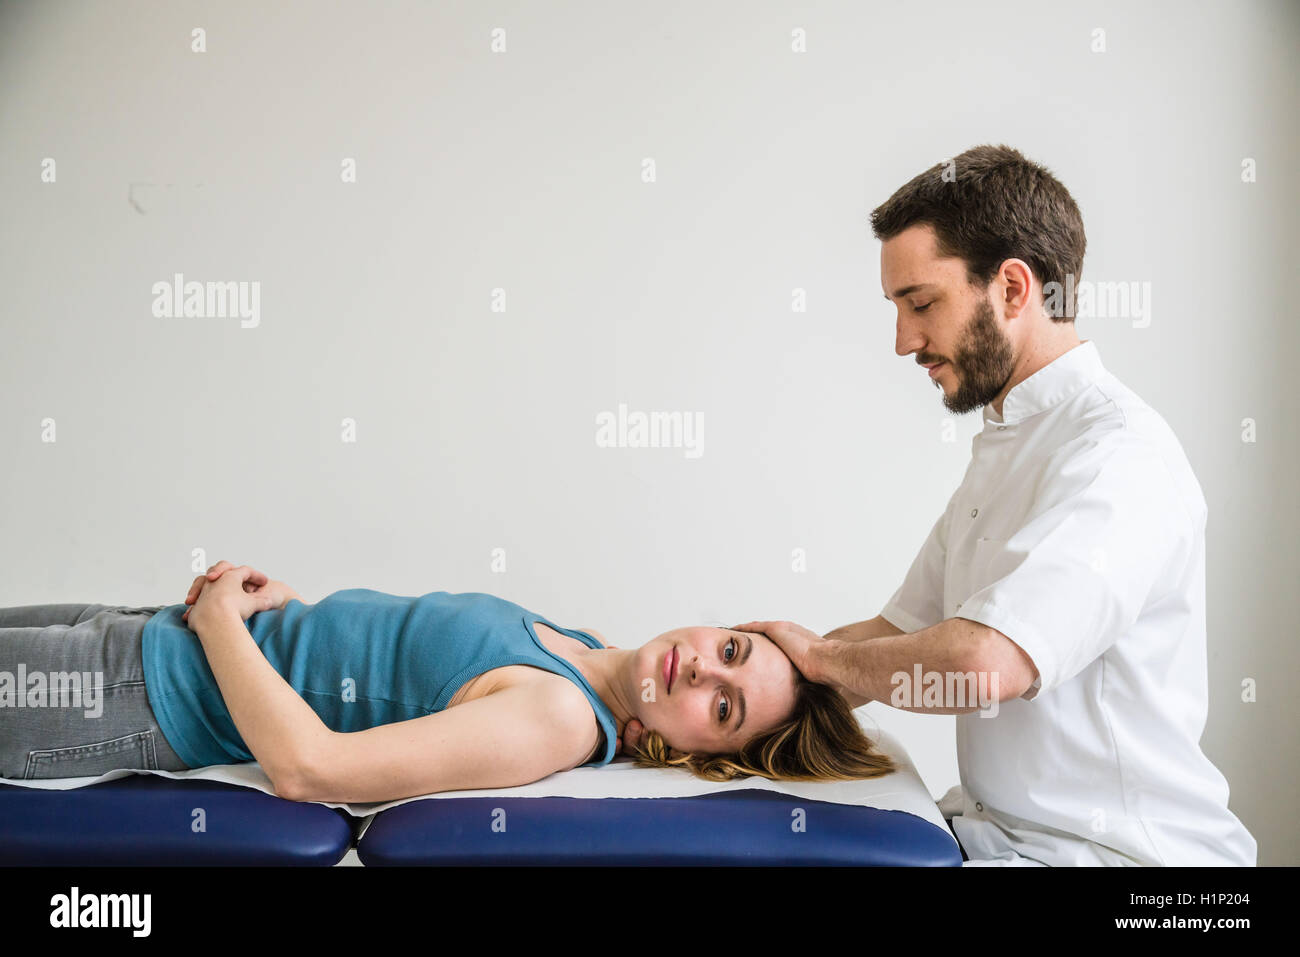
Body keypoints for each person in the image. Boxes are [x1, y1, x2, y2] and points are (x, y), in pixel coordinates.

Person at [625, 144, 1257, 867]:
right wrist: (705, 704)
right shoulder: (1009, 443)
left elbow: (986, 665)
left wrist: (823, 660)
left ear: (1014, 288)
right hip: (1001, 837)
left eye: (921, 303)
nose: (903, 341)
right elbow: (893, 632)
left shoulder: (1119, 458)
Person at [0, 560, 895, 802]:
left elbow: (312, 769)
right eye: (732, 650)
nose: (702, 668)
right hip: (140, 630)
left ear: (705, 752)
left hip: (136, 694)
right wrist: (290, 607)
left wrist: (222, 625)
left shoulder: (559, 715)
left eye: (724, 708)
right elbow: (381, 667)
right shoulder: (577, 645)